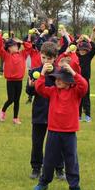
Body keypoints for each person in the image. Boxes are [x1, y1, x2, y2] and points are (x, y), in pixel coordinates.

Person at [32, 62, 88, 190]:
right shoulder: (52, 92)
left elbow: (84, 86)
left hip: (69, 133)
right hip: (53, 131)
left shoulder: (75, 92)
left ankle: (74, 187)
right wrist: (43, 73)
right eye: (56, 78)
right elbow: (39, 88)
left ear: (69, 81)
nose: (57, 81)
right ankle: (44, 182)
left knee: (71, 160)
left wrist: (74, 73)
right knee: (49, 159)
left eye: (60, 78)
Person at [26, 42, 65, 180]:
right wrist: (31, 85)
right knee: (37, 142)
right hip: (39, 112)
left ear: (55, 58)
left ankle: (59, 169)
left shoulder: (60, 73)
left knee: (57, 143)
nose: (46, 61)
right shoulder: (35, 72)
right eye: (43, 58)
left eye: (49, 58)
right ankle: (36, 168)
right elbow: (29, 91)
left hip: (56, 113)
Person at [0, 37, 32, 124]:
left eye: (17, 45)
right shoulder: (6, 55)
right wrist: (3, 40)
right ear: (9, 48)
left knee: (17, 100)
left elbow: (29, 47)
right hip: (10, 81)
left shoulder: (22, 54)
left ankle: (15, 118)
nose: (17, 47)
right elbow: (0, 48)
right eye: (14, 45)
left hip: (19, 80)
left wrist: (21, 41)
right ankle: (2, 111)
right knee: (11, 99)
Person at [76, 30, 95, 122]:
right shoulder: (76, 55)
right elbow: (71, 46)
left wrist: (89, 38)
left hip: (85, 79)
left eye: (84, 50)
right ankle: (78, 116)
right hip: (77, 79)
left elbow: (94, 46)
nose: (82, 51)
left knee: (86, 97)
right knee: (78, 97)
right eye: (80, 50)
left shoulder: (89, 55)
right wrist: (78, 41)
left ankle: (88, 115)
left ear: (87, 50)